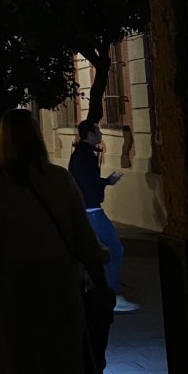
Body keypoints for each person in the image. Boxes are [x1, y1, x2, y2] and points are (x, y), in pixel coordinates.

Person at [0, 108, 110, 374]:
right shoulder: (59, 180)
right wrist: (100, 286)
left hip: (15, 303)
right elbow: (84, 241)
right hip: (60, 295)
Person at [68, 119, 138, 313]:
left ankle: (91, 293)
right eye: (97, 130)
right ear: (90, 135)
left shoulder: (80, 154)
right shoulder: (86, 156)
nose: (100, 133)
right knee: (115, 248)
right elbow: (89, 183)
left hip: (84, 209)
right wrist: (107, 181)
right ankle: (110, 294)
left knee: (90, 253)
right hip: (92, 210)